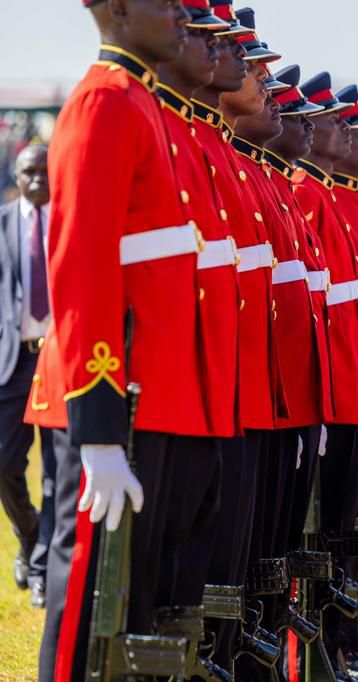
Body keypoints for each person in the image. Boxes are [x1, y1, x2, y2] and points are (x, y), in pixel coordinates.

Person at [29, 2, 222, 679]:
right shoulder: (103, 104)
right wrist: (99, 423)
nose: (179, 16)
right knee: (89, 603)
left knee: (133, 599)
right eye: (165, 3)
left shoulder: (142, 104)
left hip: (152, 391)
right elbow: (81, 266)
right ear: (115, 9)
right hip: (118, 392)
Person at [0, 144, 55, 609]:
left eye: (45, 171)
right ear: (15, 176)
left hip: (60, 360)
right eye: (28, 172)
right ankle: (30, 532)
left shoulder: (72, 221)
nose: (38, 179)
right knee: (4, 462)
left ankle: (41, 569)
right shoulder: (2, 224)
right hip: (12, 362)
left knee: (57, 472)